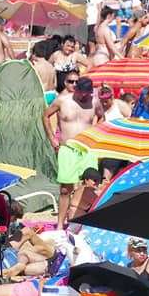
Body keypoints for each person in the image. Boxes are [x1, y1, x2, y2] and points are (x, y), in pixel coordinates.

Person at [43, 76, 102, 229]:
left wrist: (95, 136)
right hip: (68, 148)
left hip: (87, 148)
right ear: (76, 89)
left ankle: (85, 223)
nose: (83, 96)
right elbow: (45, 116)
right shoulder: (62, 100)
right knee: (65, 189)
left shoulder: (94, 101)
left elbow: (102, 117)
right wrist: (52, 139)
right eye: (81, 92)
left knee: (91, 185)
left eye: (86, 93)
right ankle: (60, 224)